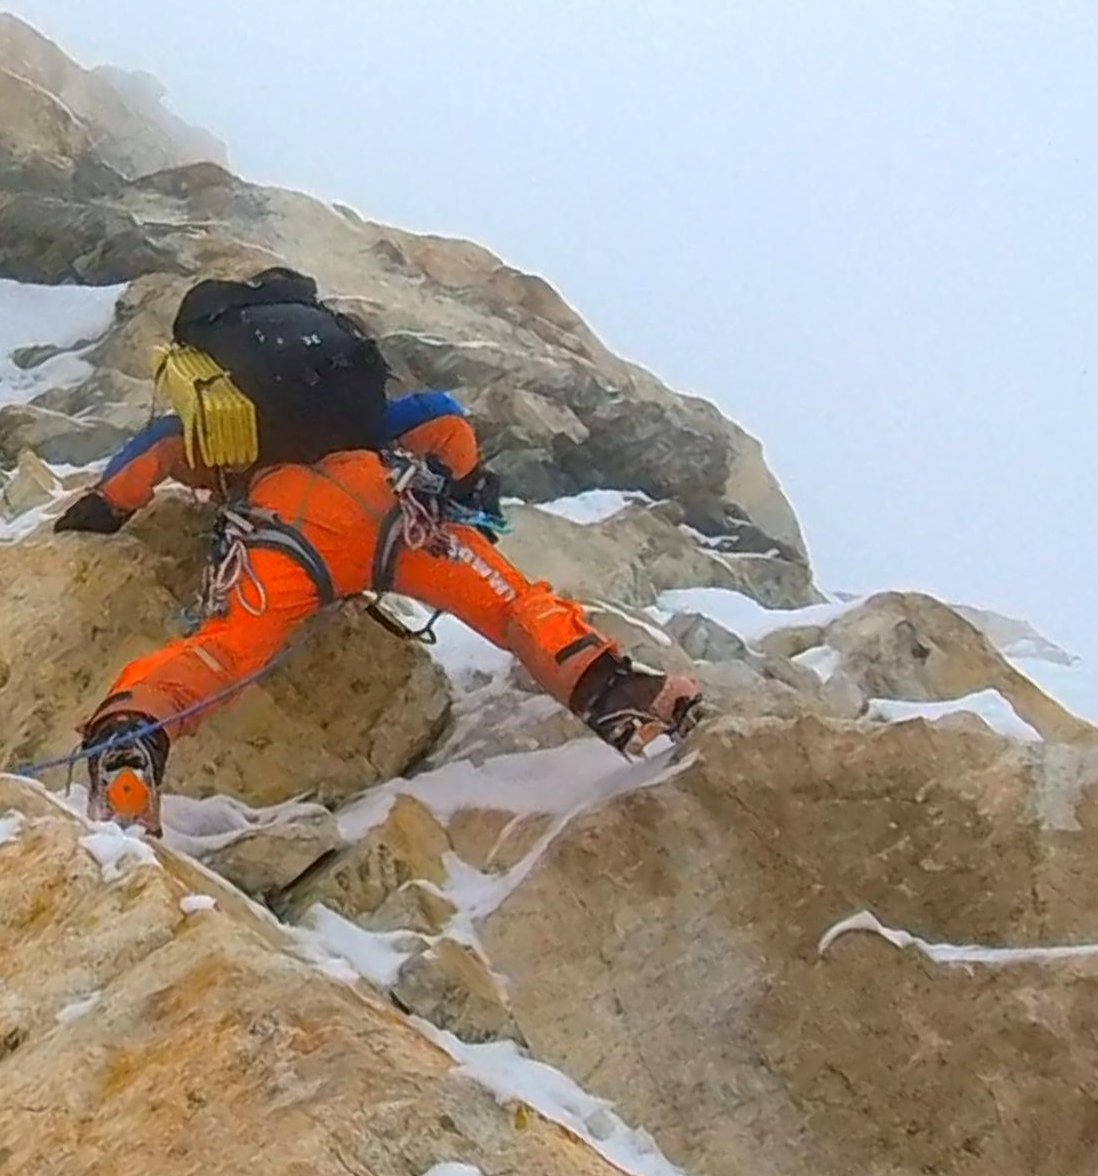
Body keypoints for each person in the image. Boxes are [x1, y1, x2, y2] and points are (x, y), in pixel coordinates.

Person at [56, 267, 700, 828]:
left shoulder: (220, 421)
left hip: (283, 528)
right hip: (395, 506)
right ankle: (618, 692)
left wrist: (103, 509)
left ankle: (130, 741)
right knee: (509, 606)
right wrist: (464, 485)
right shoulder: (351, 391)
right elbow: (443, 419)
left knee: (227, 650)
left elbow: (156, 452)